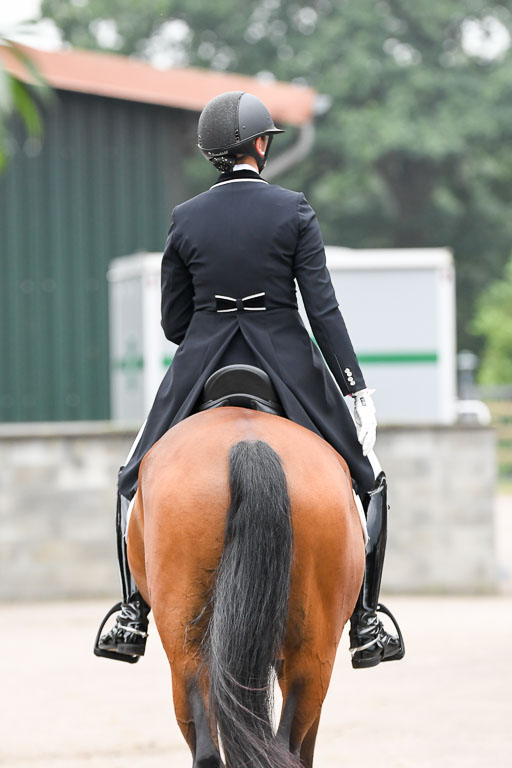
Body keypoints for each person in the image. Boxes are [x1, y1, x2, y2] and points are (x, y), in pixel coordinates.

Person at [95, 91, 404, 669]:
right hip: (287, 358)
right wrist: (353, 387)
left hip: (203, 358)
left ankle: (132, 612)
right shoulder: (293, 209)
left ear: (213, 153)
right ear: (261, 145)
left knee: (131, 477)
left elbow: (172, 322)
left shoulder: (186, 217)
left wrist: (215, 321)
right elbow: (323, 310)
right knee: (368, 475)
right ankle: (366, 617)